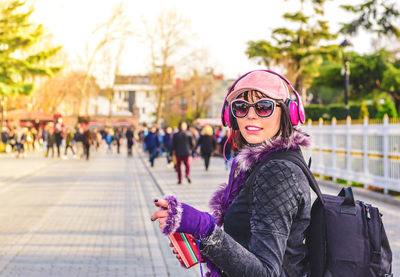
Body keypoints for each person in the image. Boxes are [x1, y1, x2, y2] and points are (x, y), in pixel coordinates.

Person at [151, 70, 311, 276]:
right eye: (241, 107)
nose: (251, 114)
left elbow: (266, 272)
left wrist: (204, 228)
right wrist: (207, 248)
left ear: (288, 112)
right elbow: (249, 247)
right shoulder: (262, 165)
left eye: (264, 107)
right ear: (232, 116)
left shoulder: (278, 172)